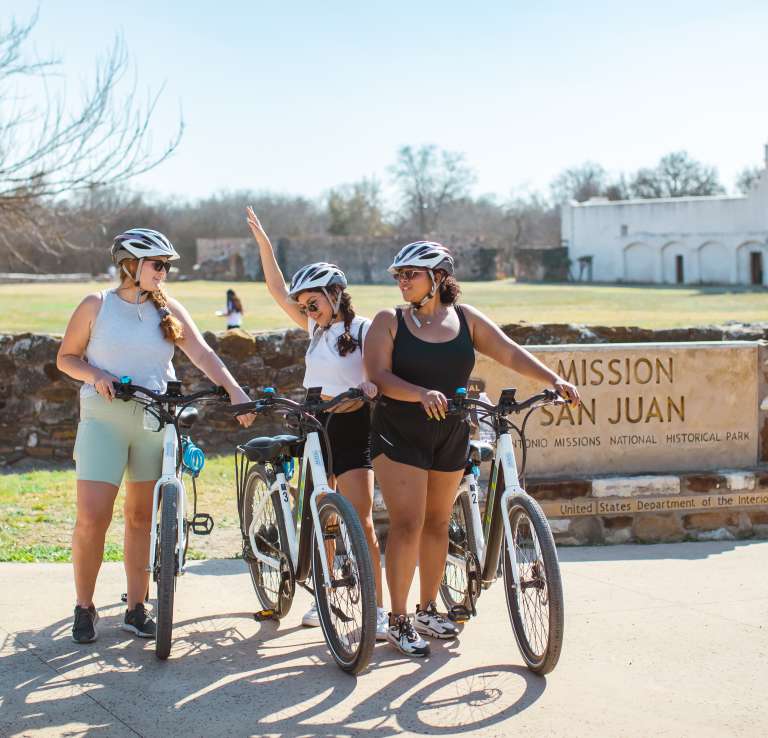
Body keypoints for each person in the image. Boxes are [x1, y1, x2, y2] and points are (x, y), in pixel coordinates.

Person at [365, 241, 580, 657]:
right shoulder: (388, 321)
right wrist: (419, 393)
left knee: (438, 523)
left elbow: (509, 351)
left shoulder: (465, 319)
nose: (402, 282)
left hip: (450, 431)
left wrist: (553, 380)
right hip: (398, 431)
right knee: (408, 523)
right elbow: (378, 375)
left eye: (410, 274)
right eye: (399, 275)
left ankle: (427, 609)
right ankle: (397, 619)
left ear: (439, 278)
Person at [57, 228, 255, 645]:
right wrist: (96, 374)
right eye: (158, 265)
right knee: (93, 517)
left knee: (141, 518)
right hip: (104, 420)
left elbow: (202, 353)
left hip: (154, 419)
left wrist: (236, 391)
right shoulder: (97, 304)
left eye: (166, 266)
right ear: (130, 266)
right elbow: (66, 358)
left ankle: (136, 607)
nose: (164, 273)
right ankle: (84, 606)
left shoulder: (169, 309)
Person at [246, 206, 389, 640]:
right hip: (314, 425)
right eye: (304, 304)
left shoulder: (364, 328)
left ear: (336, 294)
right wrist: (265, 246)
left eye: (315, 302)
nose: (308, 309)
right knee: (322, 514)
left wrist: (368, 387)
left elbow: (378, 372)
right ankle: (324, 594)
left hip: (351, 426)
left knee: (361, 518)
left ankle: (378, 610)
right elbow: (276, 290)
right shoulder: (314, 329)